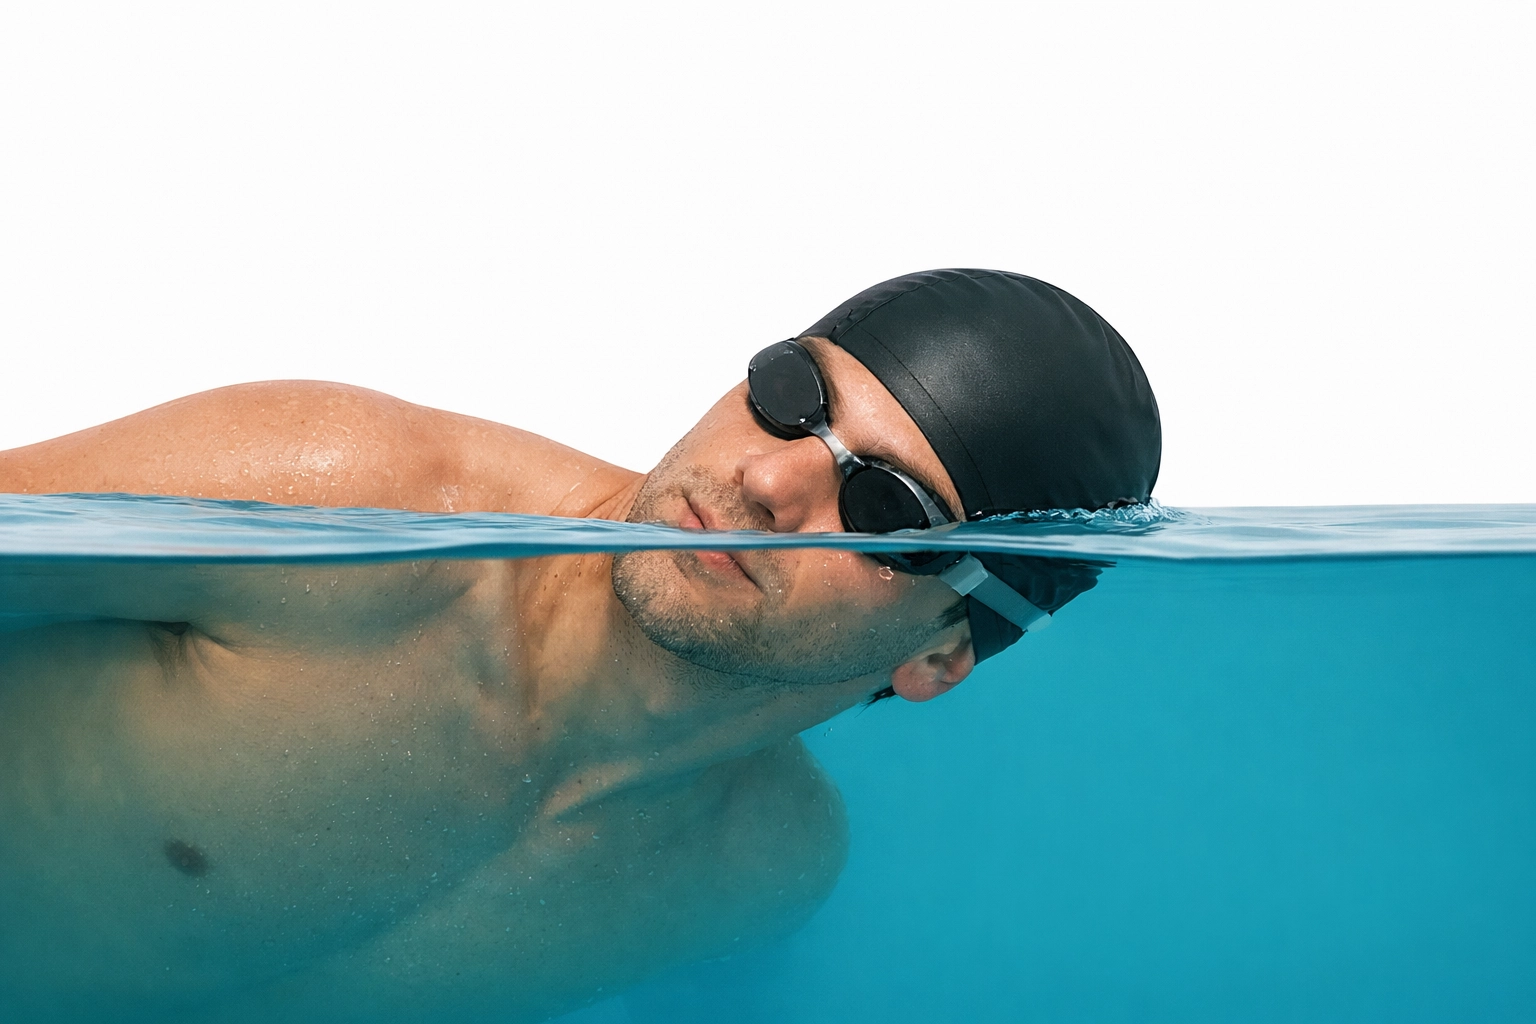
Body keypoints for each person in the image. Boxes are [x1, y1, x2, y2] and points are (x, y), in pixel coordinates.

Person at [0, 269, 1160, 1022]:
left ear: (945, 651)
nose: (768, 476)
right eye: (789, 392)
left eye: (889, 509)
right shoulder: (340, 504)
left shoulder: (761, 872)